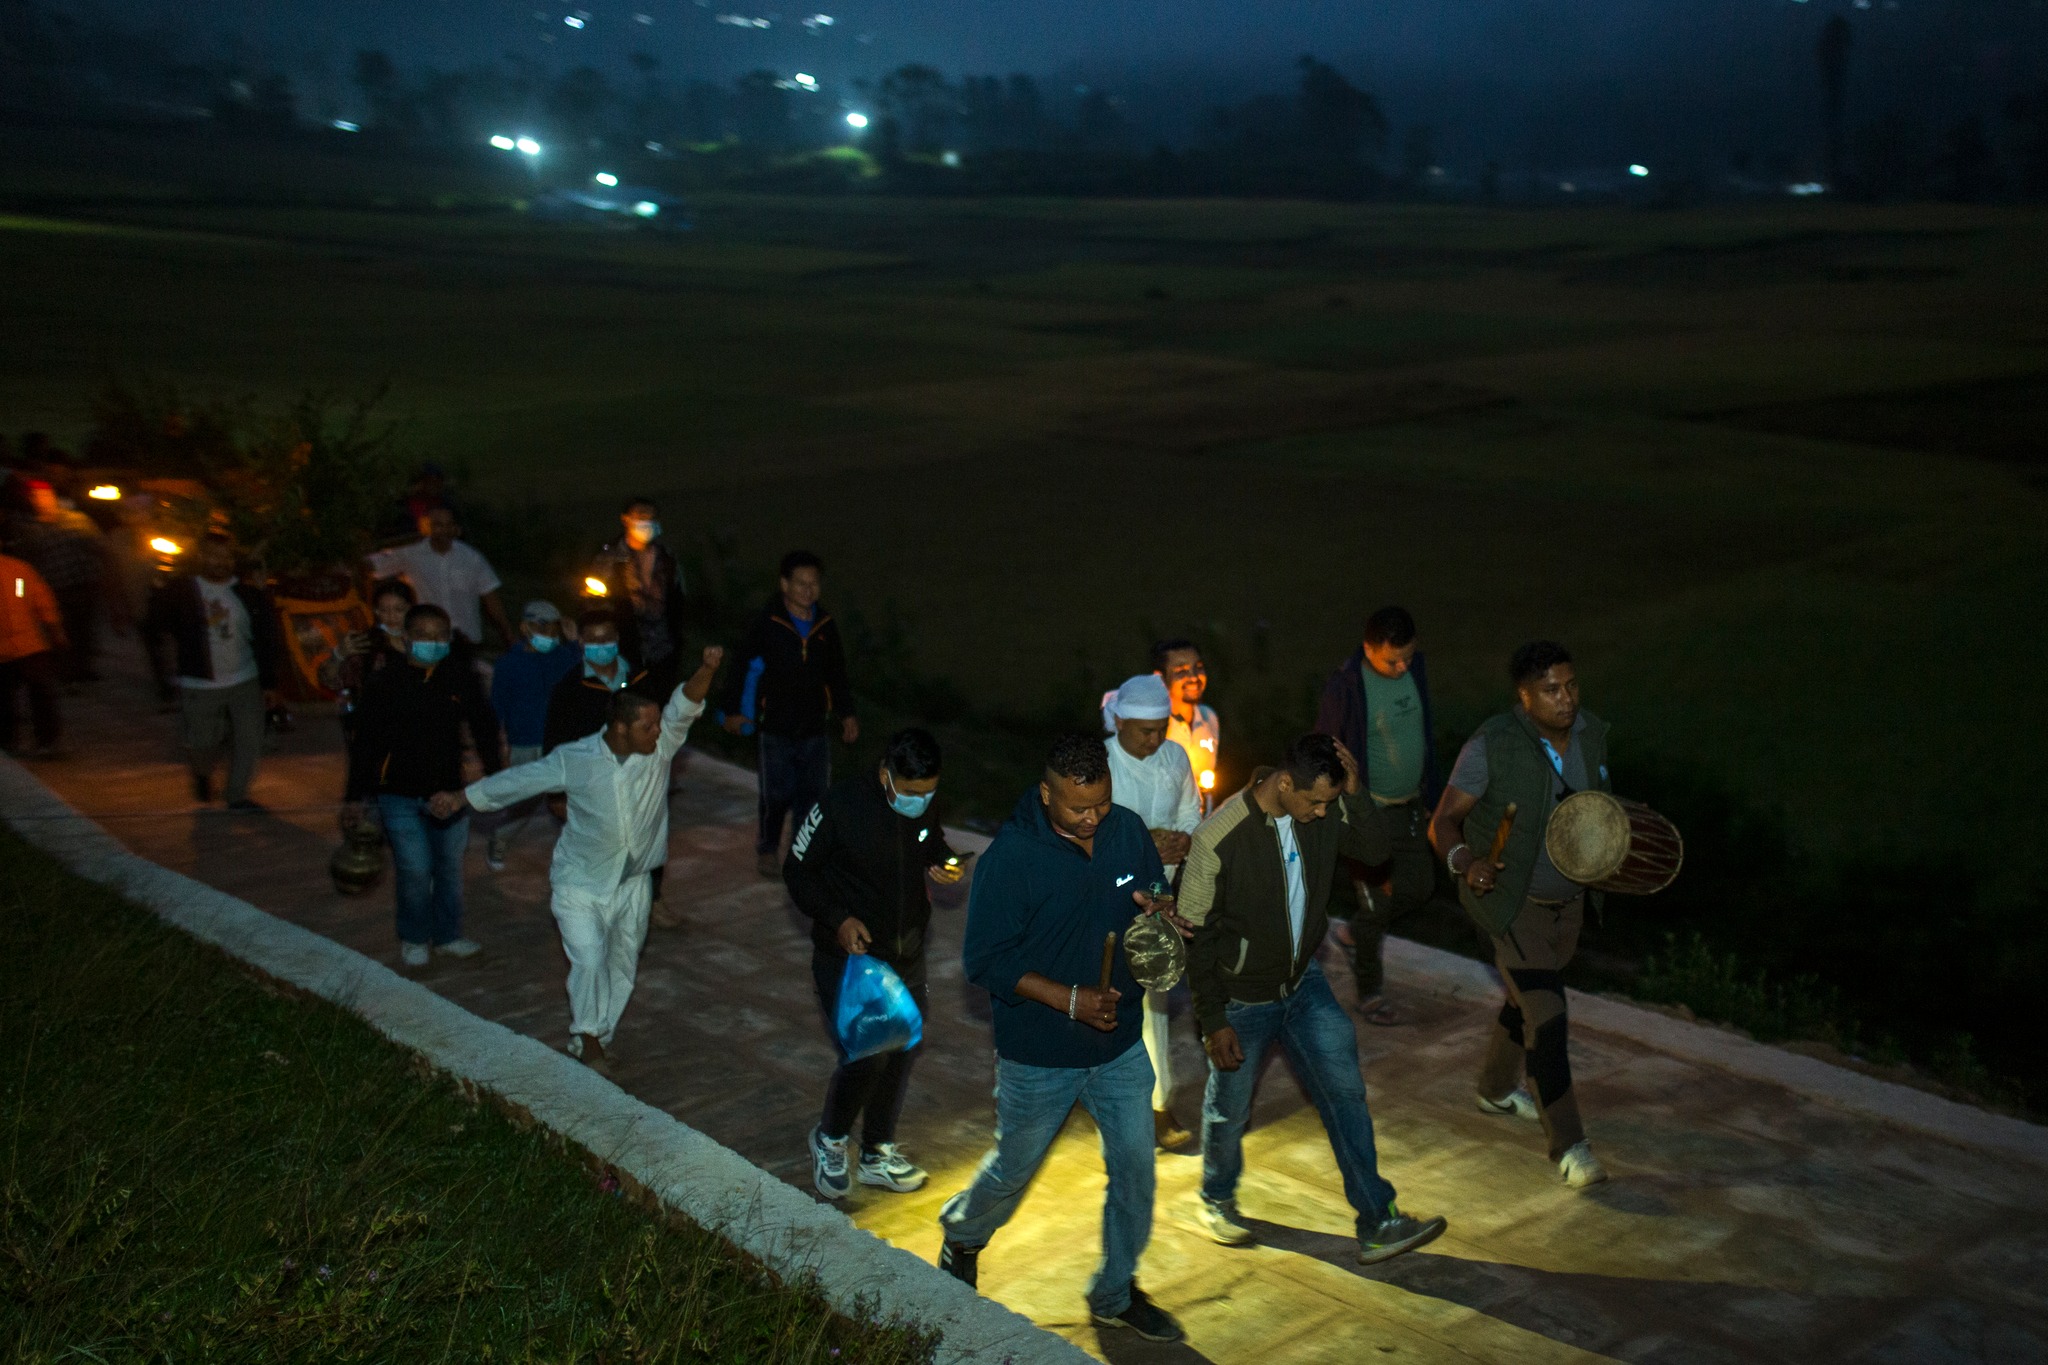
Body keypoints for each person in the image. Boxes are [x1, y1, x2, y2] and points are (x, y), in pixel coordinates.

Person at [937, 734, 1185, 1344]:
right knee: (1014, 1168)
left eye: (1101, 803)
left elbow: (1152, 889)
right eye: (1078, 808)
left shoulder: (1127, 831)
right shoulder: (1011, 859)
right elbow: (984, 961)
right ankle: (963, 1235)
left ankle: (1115, 1291)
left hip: (1119, 1044)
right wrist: (1071, 1000)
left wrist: (1158, 909)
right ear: (1047, 794)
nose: (1093, 818)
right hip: (1040, 1054)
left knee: (1136, 1170)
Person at [1178, 732, 1447, 1263]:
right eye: (1317, 802)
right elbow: (1196, 936)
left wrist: (1357, 794)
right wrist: (1212, 1020)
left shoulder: (1322, 811)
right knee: (1229, 1109)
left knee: (1345, 1095)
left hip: (1304, 984)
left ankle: (1378, 1219)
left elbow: (1375, 851)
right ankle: (1216, 1197)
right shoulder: (1219, 838)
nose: (1324, 813)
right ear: (1284, 783)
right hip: (1242, 1000)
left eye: (1331, 802)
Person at [432, 646, 724, 1073]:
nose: (658, 732)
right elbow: (521, 780)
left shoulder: (660, 748)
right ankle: (587, 1037)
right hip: (580, 882)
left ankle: (598, 1036)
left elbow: (685, 703)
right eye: (647, 726)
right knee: (588, 959)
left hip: (633, 882)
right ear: (620, 728)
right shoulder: (576, 759)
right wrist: (462, 798)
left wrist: (707, 667)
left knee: (623, 965)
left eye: (657, 725)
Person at [1429, 640, 1612, 1189]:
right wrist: (1466, 863)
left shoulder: (1592, 734)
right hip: (1511, 904)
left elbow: (1597, 813)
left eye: (1571, 685)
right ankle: (1571, 1146)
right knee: (1548, 1015)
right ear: (1525, 696)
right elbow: (1443, 821)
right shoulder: (1493, 745)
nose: (1567, 699)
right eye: (1552, 690)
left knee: (1524, 998)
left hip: (1568, 907)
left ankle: (1493, 1089)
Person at [784, 727, 965, 1199]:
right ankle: (830, 1138)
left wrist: (946, 862)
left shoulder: (923, 805)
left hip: (907, 950)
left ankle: (876, 1152)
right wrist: (838, 919)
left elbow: (930, 841)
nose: (920, 802)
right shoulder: (839, 807)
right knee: (870, 1053)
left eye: (929, 793)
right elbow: (797, 872)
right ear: (886, 775)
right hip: (852, 957)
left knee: (901, 1049)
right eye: (911, 793)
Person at [343, 603, 504, 968]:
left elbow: (483, 726)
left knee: (449, 868)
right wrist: (354, 796)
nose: (432, 642)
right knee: (415, 868)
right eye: (423, 635)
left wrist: (495, 775)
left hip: (448, 792)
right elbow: (365, 743)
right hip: (397, 793)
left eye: (439, 636)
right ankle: (414, 936)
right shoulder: (385, 682)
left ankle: (448, 935)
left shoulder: (459, 677)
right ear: (406, 639)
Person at [1315, 605, 1443, 1026]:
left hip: (1410, 807)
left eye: (1408, 656)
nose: (1402, 666)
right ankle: (1370, 991)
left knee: (1421, 888)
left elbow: (1424, 732)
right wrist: (1342, 813)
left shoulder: (1415, 669)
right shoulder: (1346, 687)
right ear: (1369, 648)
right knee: (1377, 904)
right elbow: (1327, 750)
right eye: (1392, 661)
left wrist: (1431, 792)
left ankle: (1355, 935)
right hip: (1369, 813)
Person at [1101, 672, 1201, 1151]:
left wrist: (1182, 840)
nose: (1155, 739)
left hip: (1160, 897)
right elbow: (1092, 832)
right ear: (1120, 722)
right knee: (1104, 997)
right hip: (1106, 897)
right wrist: (1147, 844)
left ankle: (1157, 1105)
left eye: (1161, 729)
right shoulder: (1102, 763)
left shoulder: (1175, 756)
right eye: (1145, 731)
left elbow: (1190, 811)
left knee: (1153, 1001)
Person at [719, 551, 858, 878]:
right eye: (801, 583)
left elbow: (836, 673)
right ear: (784, 584)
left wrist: (847, 714)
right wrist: (731, 711)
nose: (808, 590)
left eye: (814, 583)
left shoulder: (825, 625)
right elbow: (740, 667)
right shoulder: (767, 624)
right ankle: (768, 849)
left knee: (812, 798)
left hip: (815, 727)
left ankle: (802, 854)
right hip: (775, 727)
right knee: (776, 795)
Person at [545, 609, 678, 925]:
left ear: (617, 639)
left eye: (607, 638)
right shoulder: (570, 688)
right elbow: (556, 741)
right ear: (581, 641)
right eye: (593, 640)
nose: (601, 645)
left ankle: (651, 899)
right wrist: (556, 793)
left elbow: (661, 724)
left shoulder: (640, 679)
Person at [142, 531, 284, 809]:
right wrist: (157, 588)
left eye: (226, 556)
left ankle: (237, 795)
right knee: (202, 743)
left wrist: (270, 683)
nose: (220, 562)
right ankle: (202, 773)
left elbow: (268, 638)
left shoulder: (248, 594)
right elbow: (154, 626)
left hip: (244, 680)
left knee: (249, 740)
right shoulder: (182, 591)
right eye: (213, 556)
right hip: (200, 684)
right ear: (201, 557)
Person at [484, 600, 581, 870]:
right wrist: (498, 746)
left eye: (553, 628)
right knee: (525, 803)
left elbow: (582, 675)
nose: (548, 634)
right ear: (525, 628)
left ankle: (579, 854)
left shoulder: (562, 657)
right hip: (525, 743)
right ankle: (500, 837)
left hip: (558, 742)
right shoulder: (509, 664)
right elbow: (498, 705)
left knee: (570, 800)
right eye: (541, 627)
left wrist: (575, 642)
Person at [365, 506, 512, 649]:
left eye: (448, 525)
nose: (444, 530)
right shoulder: (410, 554)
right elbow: (370, 567)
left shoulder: (471, 558)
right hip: (427, 641)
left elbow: (491, 599)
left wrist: (509, 637)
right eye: (438, 525)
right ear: (426, 527)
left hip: (466, 641)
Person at [589, 496, 688, 694]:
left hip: (665, 648)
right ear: (626, 519)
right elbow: (594, 600)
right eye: (641, 516)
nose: (646, 522)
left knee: (663, 699)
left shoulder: (667, 557)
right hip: (626, 648)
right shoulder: (610, 558)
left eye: (651, 517)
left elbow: (680, 595)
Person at [325, 578, 415, 749]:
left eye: (399, 610)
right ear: (376, 611)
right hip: (378, 730)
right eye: (384, 610)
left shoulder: (423, 641)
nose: (391, 617)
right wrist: (338, 655)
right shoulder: (367, 644)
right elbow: (332, 680)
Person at [0, 543, 66, 756]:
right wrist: (54, 629)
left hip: (27, 646)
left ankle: (20, 742)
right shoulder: (19, 569)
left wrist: (54, 628)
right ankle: (40, 741)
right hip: (27, 646)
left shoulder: (18, 570)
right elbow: (38, 599)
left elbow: (36, 598)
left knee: (27, 696)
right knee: (34, 695)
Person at [1154, 638, 1220, 811]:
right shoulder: (1153, 727)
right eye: (1181, 671)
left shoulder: (1209, 717)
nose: (1193, 677)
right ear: (1160, 678)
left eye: (1198, 668)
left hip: (1204, 823)